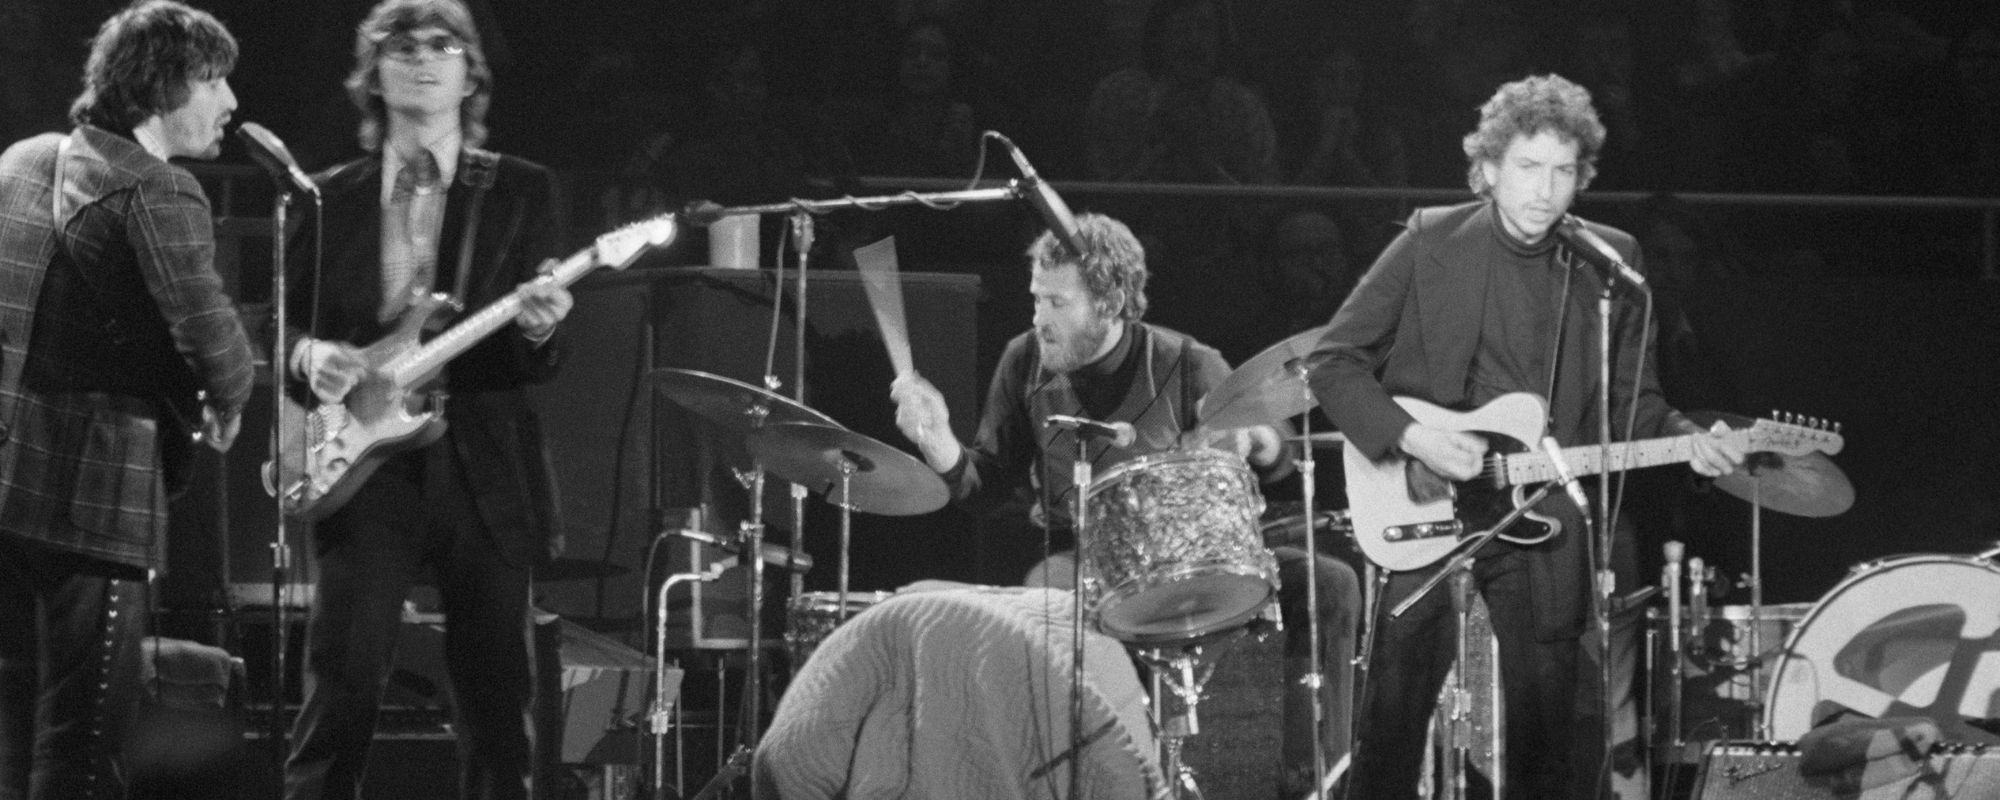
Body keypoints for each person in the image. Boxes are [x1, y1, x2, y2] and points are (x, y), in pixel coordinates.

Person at [1305, 74, 1745, 800]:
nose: (1545, 190)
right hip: (1424, 505)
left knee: (1551, 732)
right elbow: (1332, 361)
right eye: (1527, 168)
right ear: (1488, 169)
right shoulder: (1429, 240)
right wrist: (1413, 437)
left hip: (1546, 509)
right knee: (1393, 716)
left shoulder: (1614, 267)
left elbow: (1637, 407)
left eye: (1563, 171)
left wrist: (1689, 439)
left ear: (1583, 176)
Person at [891, 212, 1359, 797]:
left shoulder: (1186, 361)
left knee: (1331, 582)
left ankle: (1316, 780)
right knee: (1048, 596)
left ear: (1110, 305)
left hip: (1195, 558)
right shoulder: (1023, 363)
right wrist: (939, 446)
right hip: (1081, 559)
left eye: (1056, 304)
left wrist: (1255, 439)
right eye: (1036, 300)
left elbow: (1279, 455)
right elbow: (985, 487)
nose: (1039, 319)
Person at [274, 1, 572, 798]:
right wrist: (310, 354)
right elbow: (272, 330)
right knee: (343, 690)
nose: (424, 59)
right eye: (401, 48)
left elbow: (540, 362)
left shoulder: (521, 189)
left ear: (471, 73)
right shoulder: (324, 196)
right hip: (363, 466)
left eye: (444, 46)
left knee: (498, 709)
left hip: (484, 468)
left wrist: (541, 329)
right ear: (372, 75)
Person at [0, 1, 255, 796]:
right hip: (95, 501)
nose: (230, 103)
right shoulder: (161, 190)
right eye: (214, 81)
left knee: (13, 720)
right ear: (164, 87)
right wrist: (230, 399)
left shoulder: (23, 160)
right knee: (81, 741)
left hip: (9, 482)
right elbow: (215, 343)